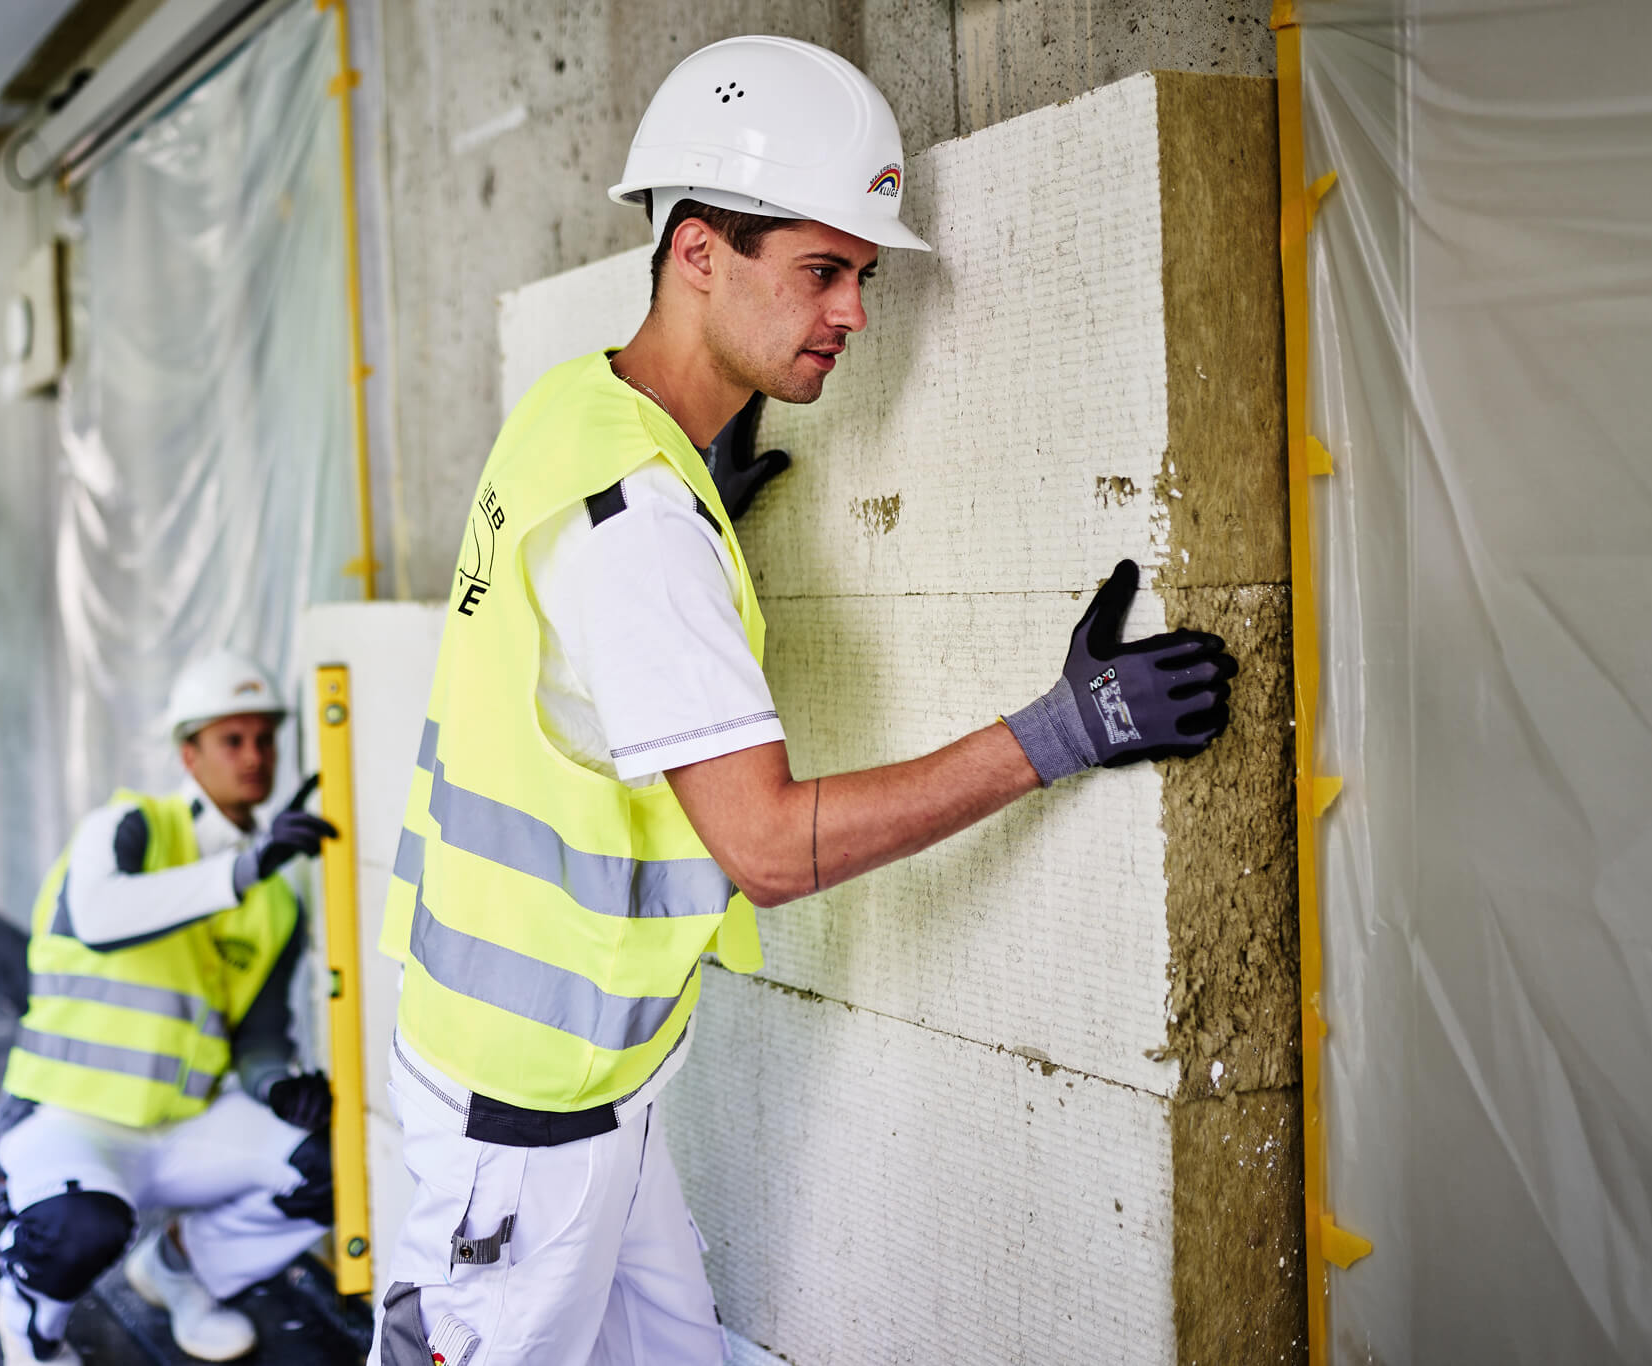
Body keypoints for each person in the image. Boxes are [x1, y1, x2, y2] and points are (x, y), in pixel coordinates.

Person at [370, 35, 1237, 1366]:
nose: (853, 313)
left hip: (553, 1065)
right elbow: (767, 847)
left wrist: (696, 500)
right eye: (821, 272)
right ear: (697, 251)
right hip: (529, 1122)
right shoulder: (639, 522)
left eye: (863, 275)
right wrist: (1062, 731)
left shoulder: (578, 413)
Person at [0, 649, 340, 1366]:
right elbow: (98, 914)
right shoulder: (131, 826)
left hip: (182, 1127)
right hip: (66, 1117)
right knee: (79, 1230)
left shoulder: (276, 895)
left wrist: (280, 1086)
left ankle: (180, 1272)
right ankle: (30, 1324)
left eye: (265, 739)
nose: (254, 756)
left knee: (334, 1168)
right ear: (189, 753)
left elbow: (260, 1039)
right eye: (231, 740)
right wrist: (244, 869)